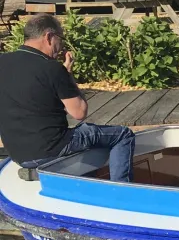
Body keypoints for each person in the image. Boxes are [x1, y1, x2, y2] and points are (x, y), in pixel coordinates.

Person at [0, 14, 134, 182]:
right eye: (60, 39)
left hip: (18, 153)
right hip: (51, 148)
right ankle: (121, 191)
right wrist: (68, 74)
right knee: (122, 135)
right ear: (49, 37)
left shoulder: (2, 61)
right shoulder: (52, 68)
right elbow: (79, 112)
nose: (61, 46)